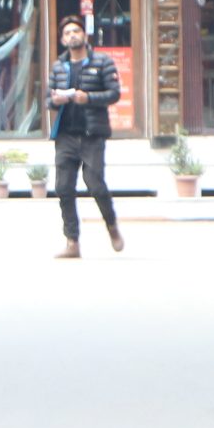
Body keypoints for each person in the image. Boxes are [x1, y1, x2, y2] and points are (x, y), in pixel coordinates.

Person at [48, 17, 124, 259]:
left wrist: (88, 98)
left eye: (76, 31)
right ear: (63, 40)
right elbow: (48, 99)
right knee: (63, 187)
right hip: (65, 134)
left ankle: (111, 225)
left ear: (85, 35)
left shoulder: (102, 62)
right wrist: (56, 100)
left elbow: (114, 93)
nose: (72, 35)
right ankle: (72, 242)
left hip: (92, 134)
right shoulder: (58, 66)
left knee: (95, 184)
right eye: (67, 32)